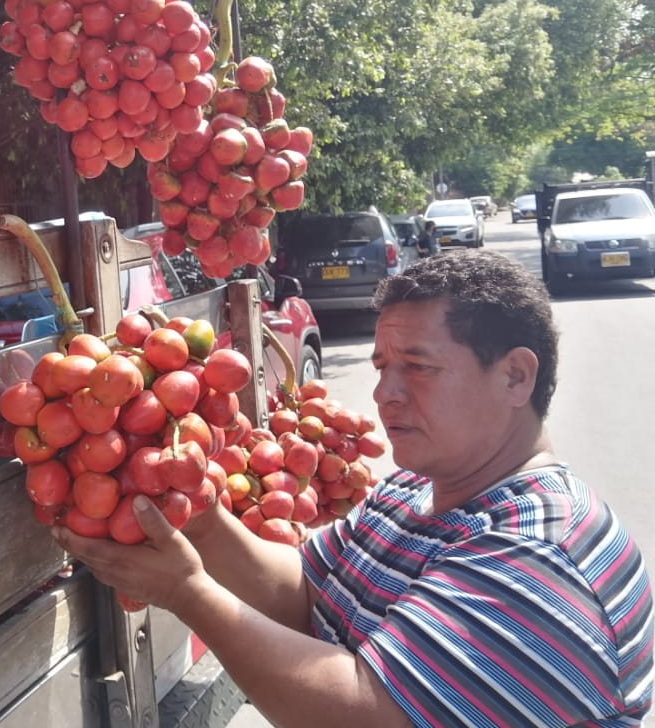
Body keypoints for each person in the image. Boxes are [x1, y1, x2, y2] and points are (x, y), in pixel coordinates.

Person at [53, 250, 653, 727]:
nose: (384, 393)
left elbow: (363, 712)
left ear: (516, 376)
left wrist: (187, 592)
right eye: (380, 367)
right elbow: (304, 592)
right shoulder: (415, 493)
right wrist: (202, 519)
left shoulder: (538, 557)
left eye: (417, 366)